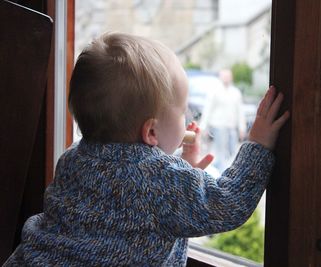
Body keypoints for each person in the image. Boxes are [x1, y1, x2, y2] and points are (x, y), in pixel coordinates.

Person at [4, 32, 289, 266]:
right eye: (183, 111)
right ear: (151, 131)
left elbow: (126, 185)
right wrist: (257, 144)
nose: (189, 119)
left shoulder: (72, 158)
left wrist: (184, 172)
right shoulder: (160, 179)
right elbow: (227, 203)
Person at [199, 69, 247, 172]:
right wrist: (203, 126)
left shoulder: (235, 93)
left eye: (228, 76)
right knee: (220, 152)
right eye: (224, 76)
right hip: (218, 126)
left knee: (232, 151)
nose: (226, 78)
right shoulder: (214, 91)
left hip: (231, 127)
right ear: (220, 77)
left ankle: (226, 170)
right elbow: (208, 109)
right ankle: (221, 172)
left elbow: (240, 111)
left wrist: (242, 127)